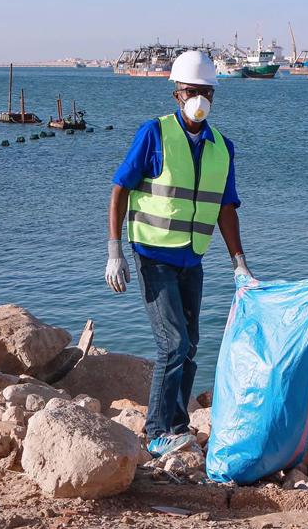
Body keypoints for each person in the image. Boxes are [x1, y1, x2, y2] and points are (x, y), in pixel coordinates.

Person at [105, 50, 252, 456]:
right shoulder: (154, 133)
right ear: (176, 93)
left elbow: (226, 207)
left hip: (192, 257)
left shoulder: (223, 147)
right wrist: (114, 250)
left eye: (206, 92)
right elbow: (120, 189)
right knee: (172, 342)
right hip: (153, 255)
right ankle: (156, 432)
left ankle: (178, 425)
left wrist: (239, 262)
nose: (199, 100)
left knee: (189, 345)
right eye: (192, 91)